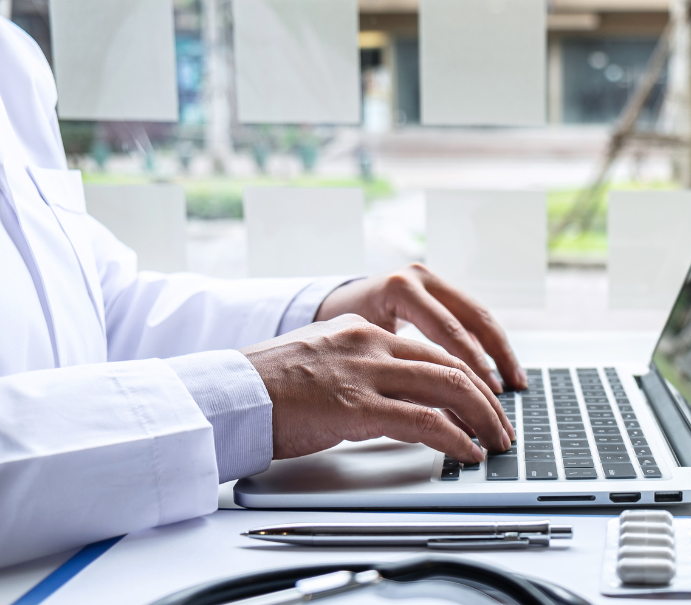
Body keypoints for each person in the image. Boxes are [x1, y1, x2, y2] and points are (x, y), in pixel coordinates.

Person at [0, 19, 524, 569]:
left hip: (88, 566)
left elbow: (101, 311)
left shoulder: (12, 57)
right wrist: (247, 400)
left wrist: (325, 315)